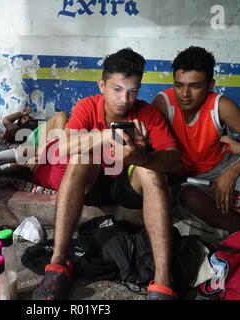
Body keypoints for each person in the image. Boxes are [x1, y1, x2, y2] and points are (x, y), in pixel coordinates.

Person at [32, 48, 183, 300]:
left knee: (152, 171)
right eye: (117, 89)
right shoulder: (87, 106)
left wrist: (141, 156)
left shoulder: (148, 114)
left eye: (133, 91)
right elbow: (62, 146)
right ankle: (57, 265)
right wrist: (107, 134)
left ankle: (163, 282)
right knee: (80, 158)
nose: (125, 99)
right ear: (102, 84)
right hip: (95, 184)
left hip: (128, 186)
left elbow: (175, 160)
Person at [152, 46, 240, 234]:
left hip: (222, 167)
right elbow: (156, 152)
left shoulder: (220, 105)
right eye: (179, 85)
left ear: (210, 85)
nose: (185, 94)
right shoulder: (163, 104)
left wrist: (231, 174)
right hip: (188, 179)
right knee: (190, 198)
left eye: (195, 86)